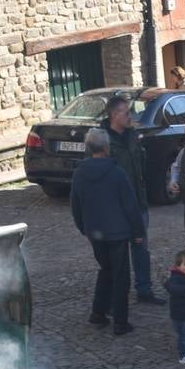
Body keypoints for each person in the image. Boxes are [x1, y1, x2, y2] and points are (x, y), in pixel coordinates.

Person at [70, 128, 146, 336]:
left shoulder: (80, 174)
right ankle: (120, 322)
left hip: (95, 233)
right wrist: (138, 230)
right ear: (106, 147)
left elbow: (75, 205)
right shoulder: (116, 173)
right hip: (118, 232)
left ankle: (98, 312)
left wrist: (83, 227)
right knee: (120, 276)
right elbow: (130, 205)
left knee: (105, 270)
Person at [100, 95, 162, 305]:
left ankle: (144, 290)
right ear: (114, 115)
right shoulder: (102, 139)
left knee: (141, 248)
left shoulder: (132, 135)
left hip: (137, 205)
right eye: (126, 112)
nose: (130, 116)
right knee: (118, 255)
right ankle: (118, 297)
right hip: (115, 209)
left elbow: (142, 166)